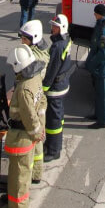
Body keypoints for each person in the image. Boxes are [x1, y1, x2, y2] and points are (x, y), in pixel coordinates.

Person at [4, 44, 47, 208]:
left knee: (18, 180)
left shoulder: (22, 89)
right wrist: (40, 129)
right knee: (23, 175)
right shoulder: (35, 78)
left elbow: (28, 116)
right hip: (29, 136)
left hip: (21, 137)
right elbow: (42, 101)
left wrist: (36, 132)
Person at [19, 20, 50, 183]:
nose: (22, 42)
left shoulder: (34, 57)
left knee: (34, 135)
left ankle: (31, 174)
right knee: (37, 137)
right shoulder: (40, 51)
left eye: (25, 39)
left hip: (34, 99)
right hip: (39, 96)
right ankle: (36, 173)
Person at [43, 14, 74, 162]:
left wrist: (44, 87)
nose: (52, 28)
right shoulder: (65, 40)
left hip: (55, 88)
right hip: (63, 84)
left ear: (61, 28)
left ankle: (53, 150)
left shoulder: (57, 46)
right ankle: (54, 144)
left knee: (53, 121)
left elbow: (52, 69)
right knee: (58, 117)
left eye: (55, 26)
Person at [84, 4, 105, 129]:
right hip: (102, 65)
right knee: (98, 92)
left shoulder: (104, 30)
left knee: (102, 94)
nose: (94, 15)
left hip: (101, 66)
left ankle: (103, 121)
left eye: (95, 13)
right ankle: (97, 114)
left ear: (99, 14)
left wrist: (93, 63)